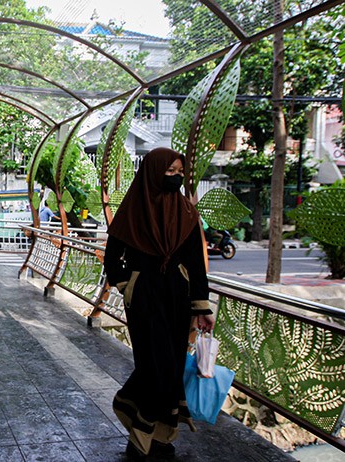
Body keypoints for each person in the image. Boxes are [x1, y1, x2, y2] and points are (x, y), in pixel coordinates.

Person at [103, 147, 215, 460]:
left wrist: (202, 307)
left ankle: (161, 435)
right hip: (143, 298)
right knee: (156, 367)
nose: (176, 178)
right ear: (154, 172)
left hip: (177, 297)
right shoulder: (133, 210)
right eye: (169, 172)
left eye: (180, 172)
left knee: (173, 366)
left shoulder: (186, 213)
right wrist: (128, 284)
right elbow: (113, 258)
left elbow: (196, 264)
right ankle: (140, 436)